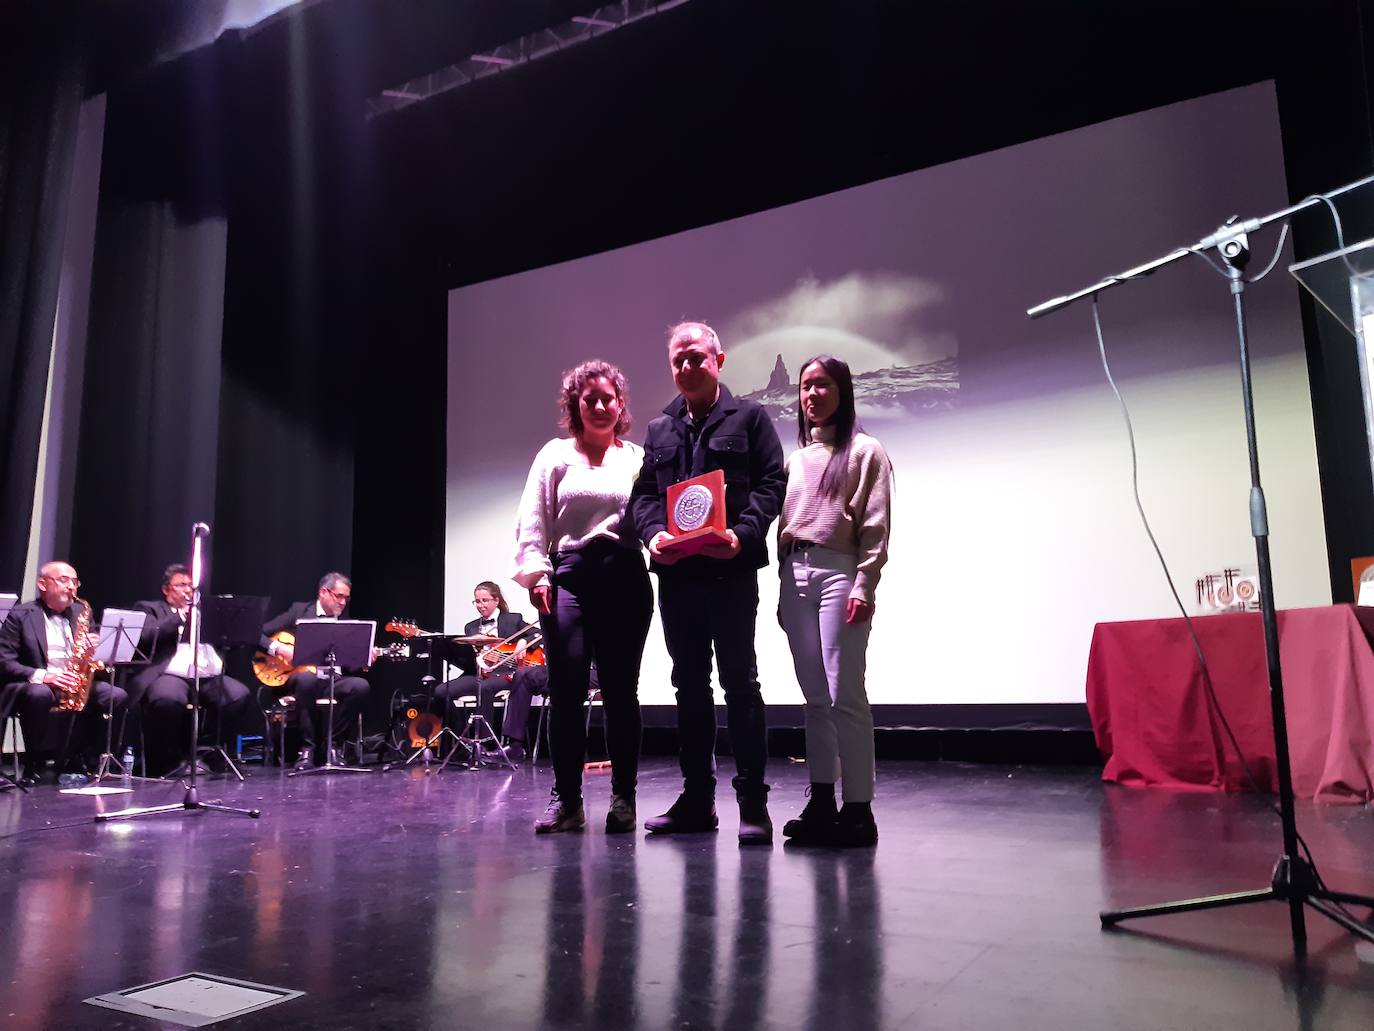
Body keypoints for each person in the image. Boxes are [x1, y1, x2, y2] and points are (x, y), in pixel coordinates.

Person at [630, 321, 787, 844]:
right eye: (678, 360)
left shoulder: (751, 417)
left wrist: (743, 534)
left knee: (740, 684)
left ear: (718, 360)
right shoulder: (660, 429)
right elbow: (643, 498)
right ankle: (697, 801)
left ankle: (753, 804)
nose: (686, 367)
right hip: (678, 578)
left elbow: (772, 483)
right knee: (689, 686)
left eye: (695, 357)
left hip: (730, 572)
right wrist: (652, 534)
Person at [514, 359, 653, 834]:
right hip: (568, 579)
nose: (598, 406)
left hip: (625, 577)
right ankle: (568, 803)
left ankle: (624, 799)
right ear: (576, 404)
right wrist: (538, 575)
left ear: (620, 404)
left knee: (621, 692)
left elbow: (652, 515)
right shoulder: (554, 455)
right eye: (589, 398)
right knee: (566, 692)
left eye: (607, 398)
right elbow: (533, 519)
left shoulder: (636, 458)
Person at [776, 356, 893, 847]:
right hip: (794, 573)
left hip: (838, 572)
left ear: (842, 390)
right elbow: (785, 525)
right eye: (805, 386)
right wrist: (782, 585)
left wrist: (865, 583)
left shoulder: (866, 451)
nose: (812, 394)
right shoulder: (795, 460)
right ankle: (822, 802)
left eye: (822, 384)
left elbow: (876, 525)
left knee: (845, 695)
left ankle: (859, 810)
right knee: (815, 700)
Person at [0, 561, 129, 785]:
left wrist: (95, 650)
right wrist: (45, 676)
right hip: (37, 682)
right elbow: (4, 660)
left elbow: (92, 658)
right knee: (39, 694)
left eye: (75, 582)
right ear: (42, 584)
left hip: (74, 681)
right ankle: (33, 764)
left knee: (115, 695)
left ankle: (90, 761)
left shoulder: (81, 612)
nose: (71, 586)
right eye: (63, 580)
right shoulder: (21, 614)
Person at [130, 563, 252, 776]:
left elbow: (225, 642)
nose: (188, 590)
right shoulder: (150, 608)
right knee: (166, 699)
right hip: (170, 673)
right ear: (166, 589)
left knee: (238, 695)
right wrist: (181, 616)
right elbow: (147, 635)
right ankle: (169, 760)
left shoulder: (205, 613)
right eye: (181, 585)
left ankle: (206, 753)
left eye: (191, 586)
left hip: (208, 675)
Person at [260, 572, 370, 770]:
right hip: (299, 679)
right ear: (323, 592)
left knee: (360, 686)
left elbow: (347, 664)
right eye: (339, 596)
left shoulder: (345, 621)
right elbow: (257, 634)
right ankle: (307, 749)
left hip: (332, 680)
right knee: (307, 680)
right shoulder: (299, 611)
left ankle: (333, 746)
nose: (343, 602)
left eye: (346, 598)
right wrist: (279, 648)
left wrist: (363, 660)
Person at [433, 580, 548, 762]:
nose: (481, 605)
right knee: (441, 691)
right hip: (481, 673)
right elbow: (472, 660)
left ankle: (487, 744)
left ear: (496, 600)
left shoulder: (512, 619)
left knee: (486, 687)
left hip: (507, 674)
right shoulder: (470, 627)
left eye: (485, 600)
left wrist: (523, 642)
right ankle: (463, 741)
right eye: (477, 601)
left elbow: (538, 634)